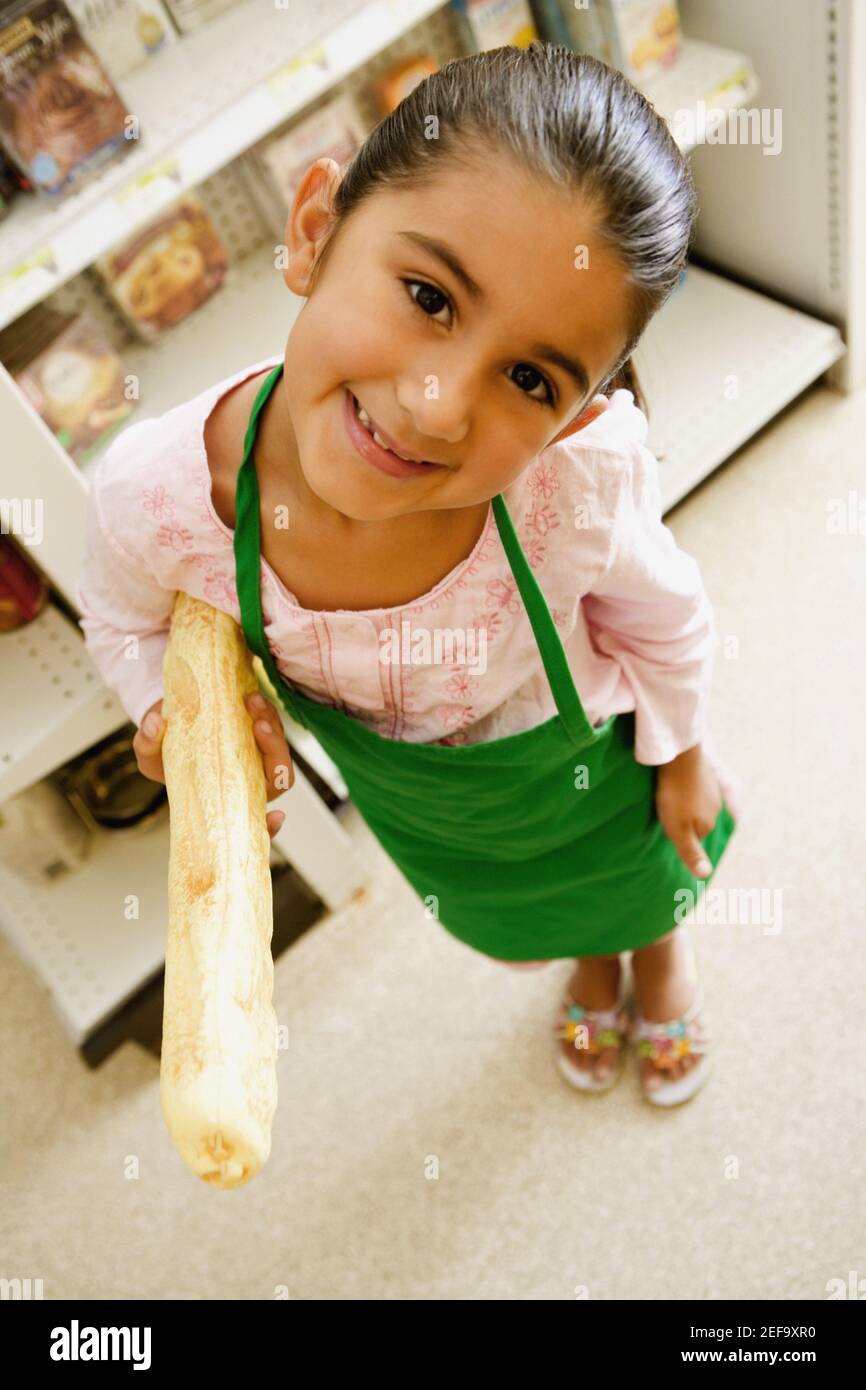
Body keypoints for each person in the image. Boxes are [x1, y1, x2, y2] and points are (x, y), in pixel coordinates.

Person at [76, 43, 744, 1108]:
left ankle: (655, 962)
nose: (436, 405)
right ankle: (589, 965)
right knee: (532, 921)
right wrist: (172, 709)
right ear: (314, 231)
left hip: (589, 781)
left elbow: (665, 622)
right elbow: (117, 623)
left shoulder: (567, 493)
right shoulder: (159, 500)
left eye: (528, 377)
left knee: (639, 887)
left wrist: (681, 755)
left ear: (569, 417)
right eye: (428, 295)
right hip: (434, 822)